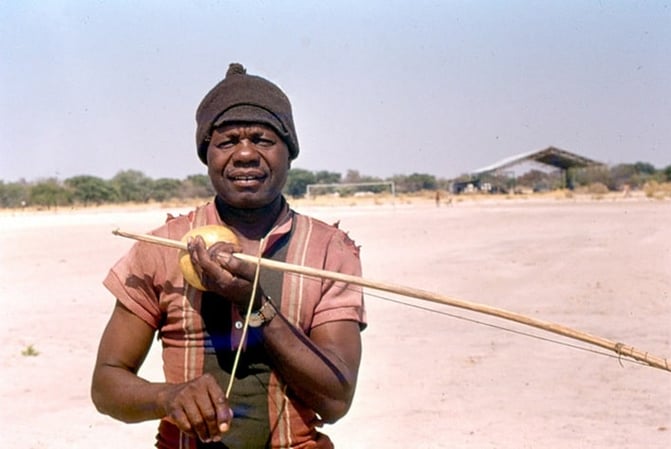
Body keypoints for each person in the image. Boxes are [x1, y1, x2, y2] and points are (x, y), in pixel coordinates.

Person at [91, 63, 367, 449]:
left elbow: (336, 399)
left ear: (290, 153)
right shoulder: (162, 247)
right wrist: (167, 397)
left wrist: (255, 305)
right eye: (227, 142)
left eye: (263, 139)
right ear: (207, 156)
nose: (245, 155)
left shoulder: (328, 251)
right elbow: (106, 385)